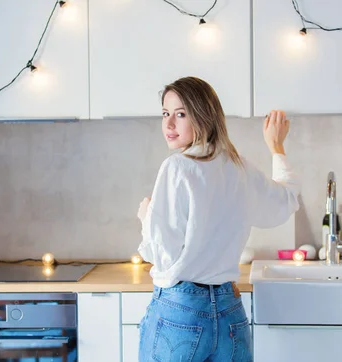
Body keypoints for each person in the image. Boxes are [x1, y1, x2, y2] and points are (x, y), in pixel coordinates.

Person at [136, 76, 300, 361]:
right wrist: (277, 147)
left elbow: (163, 256)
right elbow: (284, 204)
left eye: (180, 114)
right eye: (165, 114)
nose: (169, 124)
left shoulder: (177, 167)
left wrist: (146, 217)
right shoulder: (238, 167)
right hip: (229, 313)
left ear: (203, 116)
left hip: (181, 310)